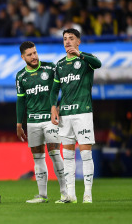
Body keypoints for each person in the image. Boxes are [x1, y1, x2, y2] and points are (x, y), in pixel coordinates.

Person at [50, 28, 102, 203]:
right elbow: (55, 89)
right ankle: (70, 194)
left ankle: (88, 194)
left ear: (78, 41)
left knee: (86, 154)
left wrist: (80, 55)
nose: (67, 41)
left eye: (71, 38)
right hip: (65, 114)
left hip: (83, 112)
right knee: (68, 155)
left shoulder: (86, 60)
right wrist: (53, 107)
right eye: (65, 39)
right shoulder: (60, 64)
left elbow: (98, 63)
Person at [16, 41, 67, 203]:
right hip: (32, 122)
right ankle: (42, 195)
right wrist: (19, 123)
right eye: (30, 54)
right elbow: (20, 101)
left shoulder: (50, 68)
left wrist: (58, 107)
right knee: (37, 157)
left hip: (50, 120)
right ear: (23, 57)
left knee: (55, 153)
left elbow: (64, 88)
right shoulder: (20, 76)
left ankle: (65, 193)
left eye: (35, 53)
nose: (34, 57)